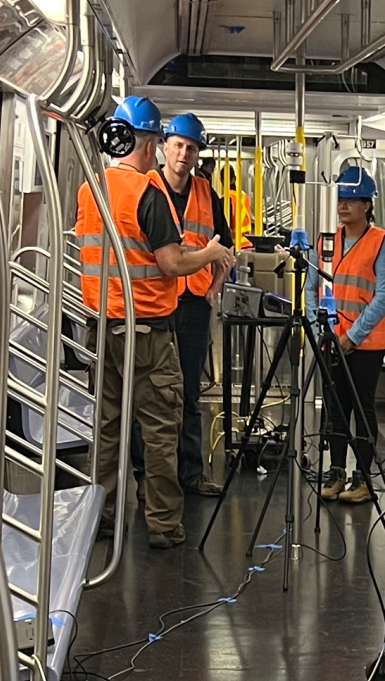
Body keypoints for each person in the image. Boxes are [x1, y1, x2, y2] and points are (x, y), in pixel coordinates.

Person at [75, 96, 231, 549]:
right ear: (151, 145)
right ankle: (163, 523)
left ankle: (101, 516)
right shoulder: (149, 193)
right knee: (160, 427)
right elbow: (171, 261)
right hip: (147, 331)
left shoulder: (91, 188)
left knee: (106, 428)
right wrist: (210, 254)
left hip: (100, 330)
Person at [153, 113, 234, 497]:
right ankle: (149, 477)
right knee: (152, 393)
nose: (184, 154)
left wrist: (214, 287)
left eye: (192, 148)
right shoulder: (147, 189)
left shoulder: (206, 194)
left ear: (199, 154)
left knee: (187, 392)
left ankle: (190, 474)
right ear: (164, 147)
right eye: (178, 145)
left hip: (194, 304)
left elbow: (226, 249)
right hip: (154, 302)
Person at [307, 166, 385, 504]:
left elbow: (383, 296)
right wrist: (320, 333)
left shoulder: (380, 244)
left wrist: (353, 337)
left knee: (362, 407)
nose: (344, 206)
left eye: (352, 200)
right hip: (332, 340)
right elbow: (310, 289)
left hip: (366, 344)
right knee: (336, 407)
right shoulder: (325, 243)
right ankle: (337, 470)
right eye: (341, 199)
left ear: (367, 205)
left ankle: (363, 477)